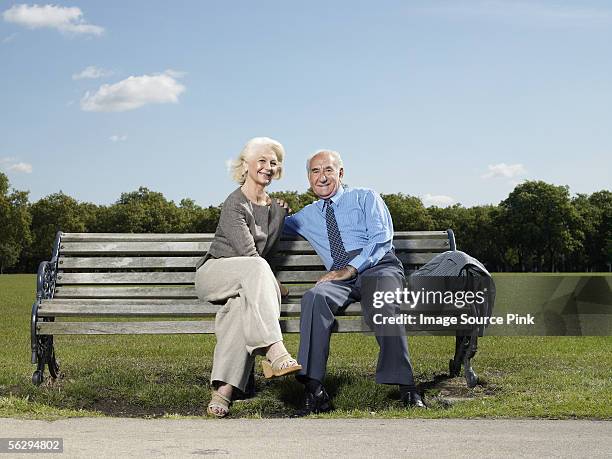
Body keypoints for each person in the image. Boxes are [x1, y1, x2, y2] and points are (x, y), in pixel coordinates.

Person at [284, 149, 425, 415]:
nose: (322, 177)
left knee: (382, 303)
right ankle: (314, 390)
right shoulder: (306, 216)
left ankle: (407, 387)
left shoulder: (365, 197)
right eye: (315, 171)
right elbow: (270, 226)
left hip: (377, 267)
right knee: (313, 297)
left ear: (341, 172)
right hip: (338, 275)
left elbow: (382, 239)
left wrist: (352, 267)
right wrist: (273, 208)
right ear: (308, 177)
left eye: (328, 169)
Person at [195, 137, 301, 418]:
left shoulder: (277, 208)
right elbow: (250, 255)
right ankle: (275, 351)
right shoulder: (234, 203)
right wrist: (274, 284)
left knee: (240, 310)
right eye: (262, 161)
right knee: (256, 268)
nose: (268, 166)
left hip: (249, 283)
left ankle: (224, 391)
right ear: (246, 165)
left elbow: (268, 250)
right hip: (216, 273)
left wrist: (280, 211)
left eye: (273, 162)